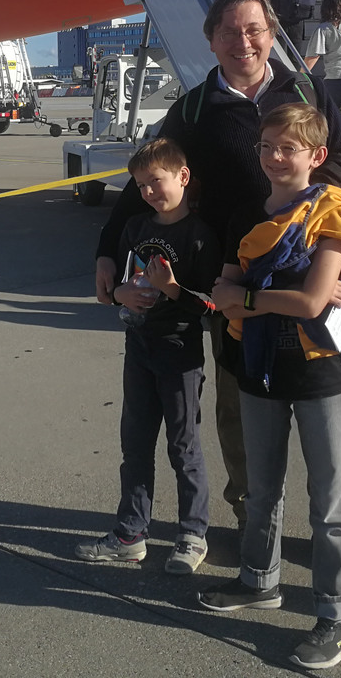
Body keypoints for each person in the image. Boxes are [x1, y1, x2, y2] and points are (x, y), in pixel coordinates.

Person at [94, 0, 341, 575]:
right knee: (239, 406)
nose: (242, 41)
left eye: (253, 29)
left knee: (332, 411)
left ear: (272, 35)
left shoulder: (305, 91)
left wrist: (320, 228)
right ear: (211, 40)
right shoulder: (196, 108)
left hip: (312, 280)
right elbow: (150, 172)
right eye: (228, 31)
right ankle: (255, 520)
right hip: (235, 280)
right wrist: (107, 249)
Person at [200, 103, 341, 670]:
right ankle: (258, 580)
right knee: (261, 487)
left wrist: (248, 297)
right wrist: (258, 297)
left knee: (330, 499)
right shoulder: (248, 213)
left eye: (288, 149)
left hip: (318, 371)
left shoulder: (331, 210)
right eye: (267, 146)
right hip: (258, 364)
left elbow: (311, 302)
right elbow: (221, 290)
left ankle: (340, 617)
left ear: (316, 155)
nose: (275, 157)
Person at [74, 138, 220, 574]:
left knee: (183, 445)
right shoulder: (136, 227)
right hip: (138, 347)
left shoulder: (200, 235)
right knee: (135, 443)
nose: (149, 192)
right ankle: (130, 534)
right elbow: (122, 282)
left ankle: (192, 534)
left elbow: (211, 305)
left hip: (179, 353)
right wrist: (120, 294)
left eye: (155, 181)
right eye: (140, 185)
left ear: (183, 176)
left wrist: (172, 289)